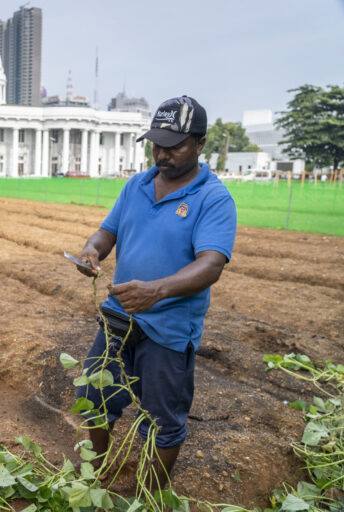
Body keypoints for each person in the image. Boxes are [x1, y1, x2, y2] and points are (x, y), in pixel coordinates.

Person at [73, 96, 237, 485]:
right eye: (156, 144)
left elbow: (211, 264)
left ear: (199, 143)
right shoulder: (137, 185)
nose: (161, 154)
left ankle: (148, 495)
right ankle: (91, 480)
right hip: (118, 318)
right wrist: (92, 250)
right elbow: (107, 232)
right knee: (96, 397)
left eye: (173, 145)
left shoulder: (213, 198)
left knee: (162, 420)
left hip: (168, 328)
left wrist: (157, 292)